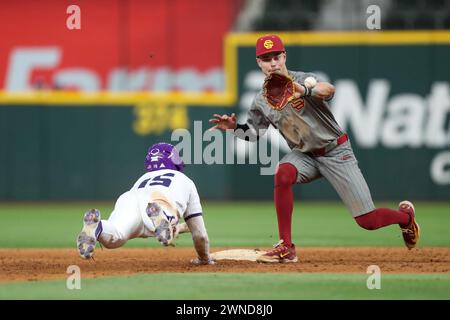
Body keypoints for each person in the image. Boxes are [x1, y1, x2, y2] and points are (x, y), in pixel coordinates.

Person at [209, 34, 420, 263]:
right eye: (266, 58)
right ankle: (286, 248)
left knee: (367, 221)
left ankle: (405, 218)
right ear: (259, 62)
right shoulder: (260, 100)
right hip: (305, 155)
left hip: (335, 151)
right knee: (283, 173)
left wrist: (304, 90)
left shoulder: (302, 79)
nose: (273, 63)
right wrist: (233, 128)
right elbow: (253, 134)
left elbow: (329, 90)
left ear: (284, 56)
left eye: (276, 56)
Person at [76, 142, 214, 265]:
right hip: (158, 199)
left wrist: (179, 227)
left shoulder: (143, 178)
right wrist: (204, 258)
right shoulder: (185, 180)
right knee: (164, 214)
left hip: (129, 198)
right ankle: (161, 216)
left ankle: (97, 226)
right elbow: (199, 234)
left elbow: (143, 205)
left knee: (116, 237)